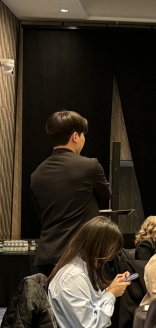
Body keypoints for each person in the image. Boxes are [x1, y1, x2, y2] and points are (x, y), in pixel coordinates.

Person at [47, 216, 132, 328]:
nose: (110, 258)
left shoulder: (80, 270)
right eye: (110, 252)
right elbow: (88, 324)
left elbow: (90, 309)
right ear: (98, 247)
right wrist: (110, 294)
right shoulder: (72, 277)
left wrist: (110, 289)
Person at [31, 110, 111, 276]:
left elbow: (40, 213)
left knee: (50, 302)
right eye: (83, 135)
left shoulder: (37, 173)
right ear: (75, 136)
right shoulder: (90, 166)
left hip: (47, 258)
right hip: (81, 257)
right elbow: (105, 198)